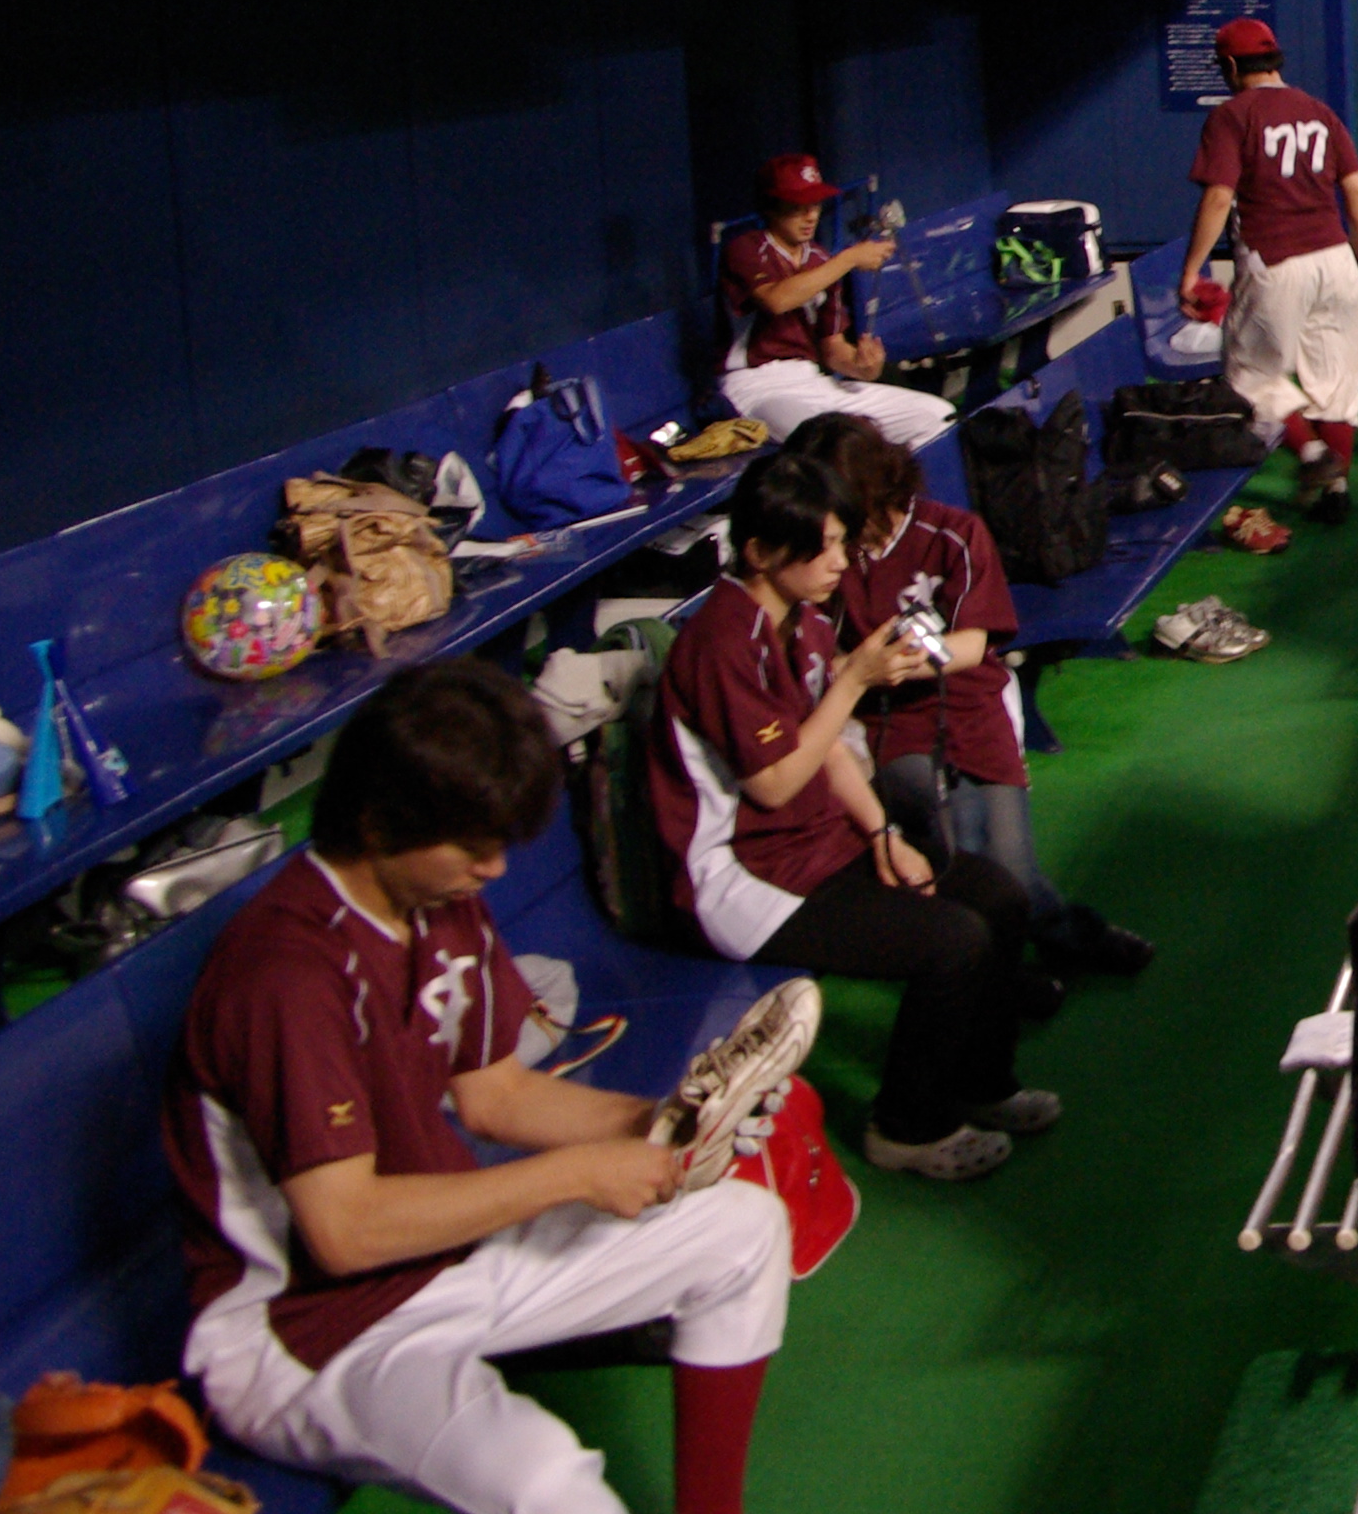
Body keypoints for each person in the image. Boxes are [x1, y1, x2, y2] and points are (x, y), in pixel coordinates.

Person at [166, 663, 794, 1514]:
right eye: (472, 847)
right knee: (543, 1478)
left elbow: (498, 1097)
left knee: (744, 1231)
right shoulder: (284, 975)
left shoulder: (438, 899)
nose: (494, 868)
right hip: (309, 1333)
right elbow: (345, 1232)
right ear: (378, 822)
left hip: (449, 1252)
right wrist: (578, 1174)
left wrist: (667, 1120)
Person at [651, 450, 1049, 1181]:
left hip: (818, 846)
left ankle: (980, 1083)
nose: (842, 561)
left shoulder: (800, 621)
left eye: (842, 541)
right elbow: (775, 783)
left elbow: (829, 748)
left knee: (998, 896)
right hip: (743, 878)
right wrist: (855, 679)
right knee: (952, 942)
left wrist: (883, 833)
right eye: (825, 547)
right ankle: (906, 1128)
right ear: (761, 553)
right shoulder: (720, 643)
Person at [786, 414, 1153, 993]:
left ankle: (1063, 934)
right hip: (888, 721)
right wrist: (859, 671)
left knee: (1010, 863)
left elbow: (975, 644)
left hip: (970, 705)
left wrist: (894, 660)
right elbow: (821, 661)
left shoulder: (952, 532)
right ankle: (995, 973)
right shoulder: (827, 560)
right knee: (959, 846)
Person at [1181, 17, 1358, 525]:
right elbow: (1356, 190)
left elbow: (1219, 197)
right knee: (1336, 381)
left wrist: (1192, 270)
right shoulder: (1319, 111)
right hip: (1337, 261)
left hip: (1276, 260)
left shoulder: (1232, 115)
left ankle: (1312, 455)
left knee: (1251, 374)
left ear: (1230, 65)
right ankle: (1336, 491)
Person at [715, 153, 949, 447]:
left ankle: (902, 480)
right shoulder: (745, 248)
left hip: (812, 381)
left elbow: (832, 348)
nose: (811, 215)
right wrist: (848, 259)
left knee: (937, 415)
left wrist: (861, 367)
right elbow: (776, 300)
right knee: (830, 441)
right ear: (772, 207)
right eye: (798, 206)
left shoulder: (821, 259)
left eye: (815, 204)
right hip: (755, 387)